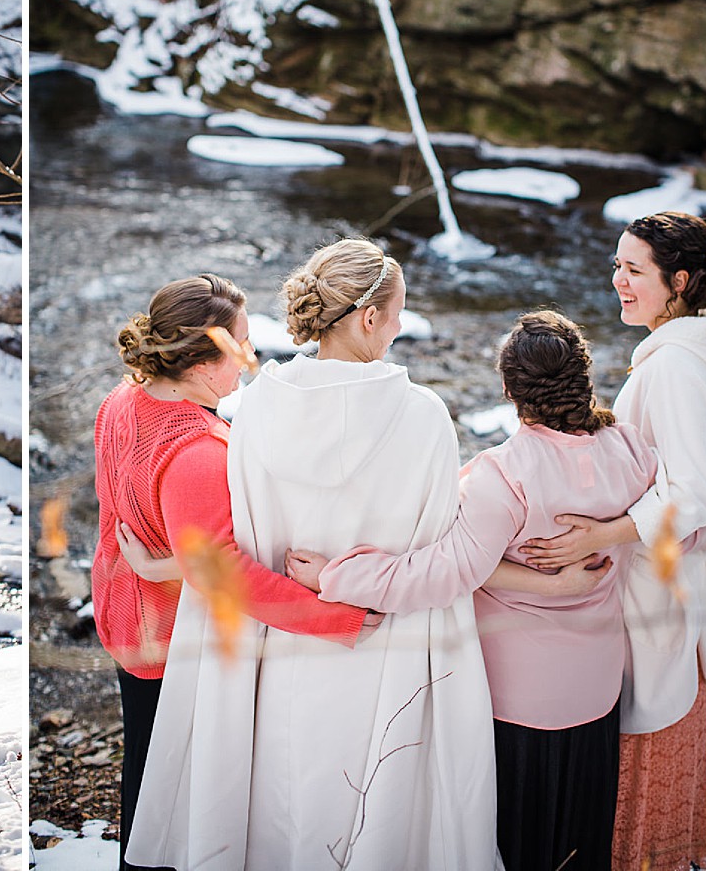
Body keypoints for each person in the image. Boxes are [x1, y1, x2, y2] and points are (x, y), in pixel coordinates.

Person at [127, 239, 499, 871]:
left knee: (286, 804)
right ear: (370, 317)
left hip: (282, 651)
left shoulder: (256, 408)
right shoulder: (425, 416)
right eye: (399, 311)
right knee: (378, 808)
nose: (402, 325)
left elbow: (247, 536)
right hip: (391, 650)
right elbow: (436, 548)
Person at [285, 310, 657, 871]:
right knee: (581, 839)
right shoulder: (629, 451)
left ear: (509, 389)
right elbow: (697, 511)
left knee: (520, 843)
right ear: (584, 376)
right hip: (600, 686)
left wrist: (335, 575)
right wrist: (600, 542)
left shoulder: (503, 475)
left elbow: (441, 573)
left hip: (518, 699)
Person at [92, 274, 367, 866]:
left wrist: (161, 564)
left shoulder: (123, 400)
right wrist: (336, 618)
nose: (251, 357)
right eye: (239, 344)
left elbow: (132, 514)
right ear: (197, 363)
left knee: (145, 762)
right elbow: (227, 576)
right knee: (174, 788)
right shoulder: (196, 452)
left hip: (127, 615)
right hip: (171, 641)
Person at [514, 212, 706, 871]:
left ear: (679, 280)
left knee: (650, 735)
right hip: (675, 583)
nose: (617, 281)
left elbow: (699, 489)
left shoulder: (677, 364)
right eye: (617, 264)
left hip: (663, 591)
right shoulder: (690, 347)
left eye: (633, 270)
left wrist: (603, 531)